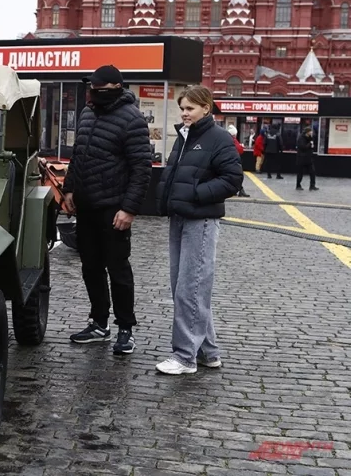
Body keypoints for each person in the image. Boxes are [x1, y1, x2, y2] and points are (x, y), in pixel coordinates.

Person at [62, 65, 152, 354]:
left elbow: (142, 168)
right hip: (87, 206)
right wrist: (69, 189)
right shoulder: (87, 113)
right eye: (92, 88)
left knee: (118, 269)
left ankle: (125, 329)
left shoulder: (132, 119)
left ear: (116, 87)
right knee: (91, 268)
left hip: (114, 207)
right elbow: (78, 154)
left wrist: (129, 209)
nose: (93, 93)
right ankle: (99, 323)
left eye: (99, 88)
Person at [155, 85, 243, 375]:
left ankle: (184, 357)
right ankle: (208, 352)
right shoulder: (185, 135)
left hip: (200, 220)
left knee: (190, 288)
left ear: (206, 108)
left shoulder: (218, 138)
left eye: (190, 108)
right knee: (185, 287)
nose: (184, 113)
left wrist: (195, 194)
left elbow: (232, 179)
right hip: (180, 217)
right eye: (182, 108)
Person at [227, 124, 250, 197]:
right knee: (238, 176)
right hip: (233, 161)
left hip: (229, 160)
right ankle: (240, 191)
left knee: (233, 177)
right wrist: (241, 146)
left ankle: (236, 191)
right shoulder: (233, 139)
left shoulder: (227, 139)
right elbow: (239, 149)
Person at [296, 125, 318, 191]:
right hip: (301, 158)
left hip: (309, 158)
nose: (311, 133)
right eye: (310, 131)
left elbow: (311, 145)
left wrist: (312, 145)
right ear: (307, 132)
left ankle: (312, 186)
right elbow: (303, 147)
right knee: (300, 173)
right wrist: (309, 144)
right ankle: (298, 185)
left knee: (312, 172)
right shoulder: (301, 138)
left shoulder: (310, 138)